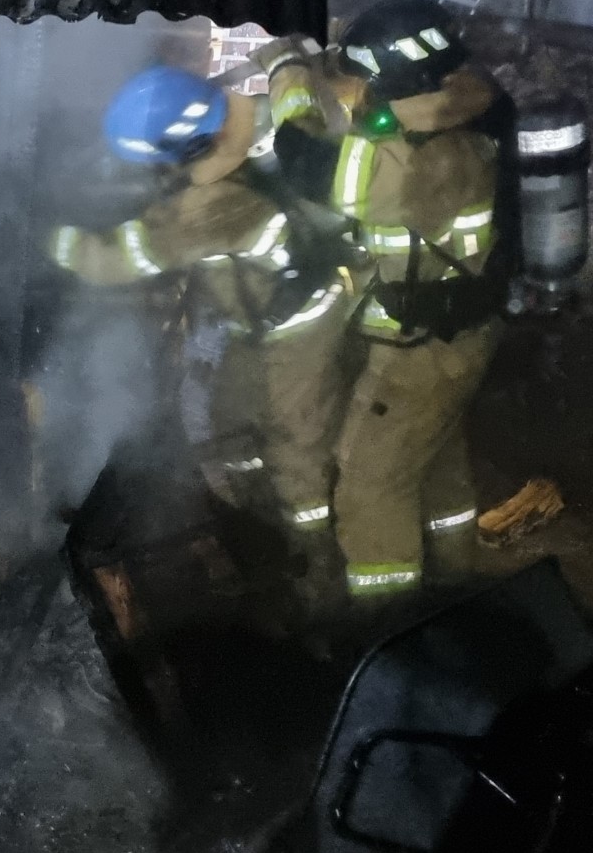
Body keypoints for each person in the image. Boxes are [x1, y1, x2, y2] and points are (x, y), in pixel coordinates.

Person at [47, 65, 359, 610]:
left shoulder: (212, 204)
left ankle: (320, 582)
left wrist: (46, 238)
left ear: (180, 150)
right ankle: (258, 526)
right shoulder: (261, 123)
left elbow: (113, 260)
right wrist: (286, 64)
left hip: (301, 324)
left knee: (297, 448)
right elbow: (296, 92)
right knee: (232, 423)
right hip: (266, 316)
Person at [321, 0, 507, 603]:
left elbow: (341, 190)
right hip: (464, 334)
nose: (360, 91)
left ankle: (390, 616)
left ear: (397, 76)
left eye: (368, 78)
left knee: (369, 481)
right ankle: (455, 579)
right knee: (435, 455)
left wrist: (288, 80)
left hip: (421, 346)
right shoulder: (476, 113)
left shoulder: (407, 158)